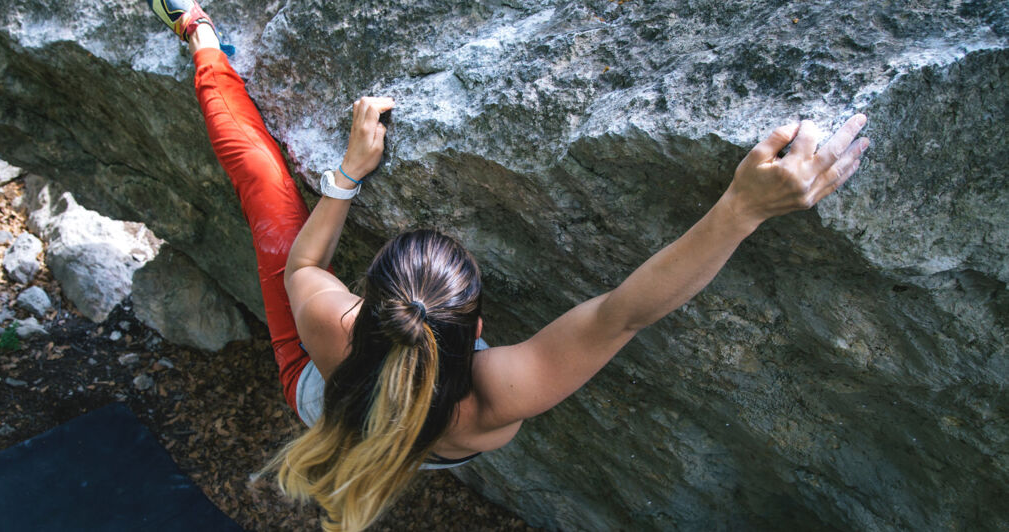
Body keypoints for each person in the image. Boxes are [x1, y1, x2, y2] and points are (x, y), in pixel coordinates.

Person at [149, 2, 871, 530]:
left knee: (265, 186)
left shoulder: (327, 326)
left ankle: (198, 29)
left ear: (363, 304)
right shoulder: (491, 400)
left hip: (317, 394)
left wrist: (348, 173)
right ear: (481, 328)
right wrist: (742, 209)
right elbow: (625, 309)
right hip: (399, 430)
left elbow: (304, 255)